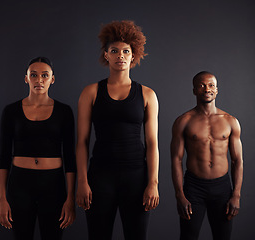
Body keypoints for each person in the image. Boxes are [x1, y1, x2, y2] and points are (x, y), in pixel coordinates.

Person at [76, 20, 160, 240]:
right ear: (106, 55)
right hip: (100, 177)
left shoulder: (147, 94)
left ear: (134, 55)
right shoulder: (91, 92)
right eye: (114, 51)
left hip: (136, 177)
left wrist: (153, 183)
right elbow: (82, 142)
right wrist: (82, 181)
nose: (120, 55)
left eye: (125, 51)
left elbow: (152, 144)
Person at [0, 57, 76, 240]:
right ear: (26, 78)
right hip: (20, 184)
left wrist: (70, 198)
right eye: (33, 75)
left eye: (44, 75)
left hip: (53, 185)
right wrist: (2, 198)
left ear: (52, 79)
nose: (39, 80)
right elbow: (4, 157)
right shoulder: (11, 111)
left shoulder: (64, 111)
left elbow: (70, 158)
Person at [171, 71, 243, 240]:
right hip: (194, 188)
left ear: (217, 90)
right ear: (194, 90)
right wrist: (179, 194)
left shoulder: (230, 121)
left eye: (211, 85)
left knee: (223, 237)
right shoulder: (183, 121)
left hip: (222, 187)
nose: (207, 89)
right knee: (188, 236)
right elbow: (176, 159)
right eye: (202, 85)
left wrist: (236, 194)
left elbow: (237, 160)